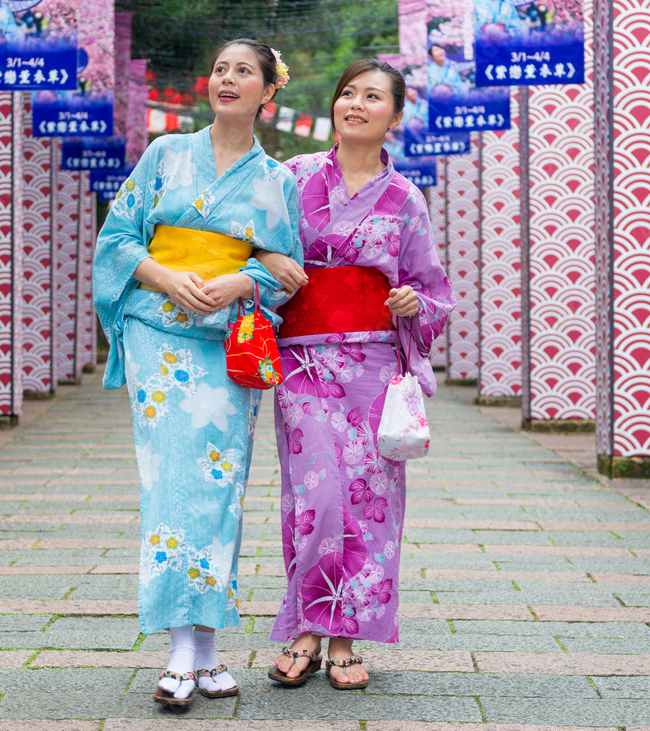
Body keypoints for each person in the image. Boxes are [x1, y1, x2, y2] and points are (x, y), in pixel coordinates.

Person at [92, 39, 301, 709]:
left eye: (244, 71)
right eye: (220, 70)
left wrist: (242, 278)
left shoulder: (278, 179)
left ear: (269, 90)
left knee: (221, 486)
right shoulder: (165, 155)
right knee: (171, 480)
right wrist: (164, 275)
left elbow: (288, 271)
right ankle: (181, 650)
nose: (228, 79)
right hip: (160, 330)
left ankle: (207, 647)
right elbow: (118, 238)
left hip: (227, 344)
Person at [256, 59, 455, 690]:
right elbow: (253, 241)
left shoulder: (406, 199)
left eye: (373, 97)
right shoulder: (293, 177)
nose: (356, 104)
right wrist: (271, 260)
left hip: (372, 364)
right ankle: (307, 627)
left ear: (394, 117)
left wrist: (411, 304)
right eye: (348, 93)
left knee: (370, 500)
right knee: (316, 495)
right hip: (304, 361)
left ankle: (347, 636)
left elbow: (434, 291)